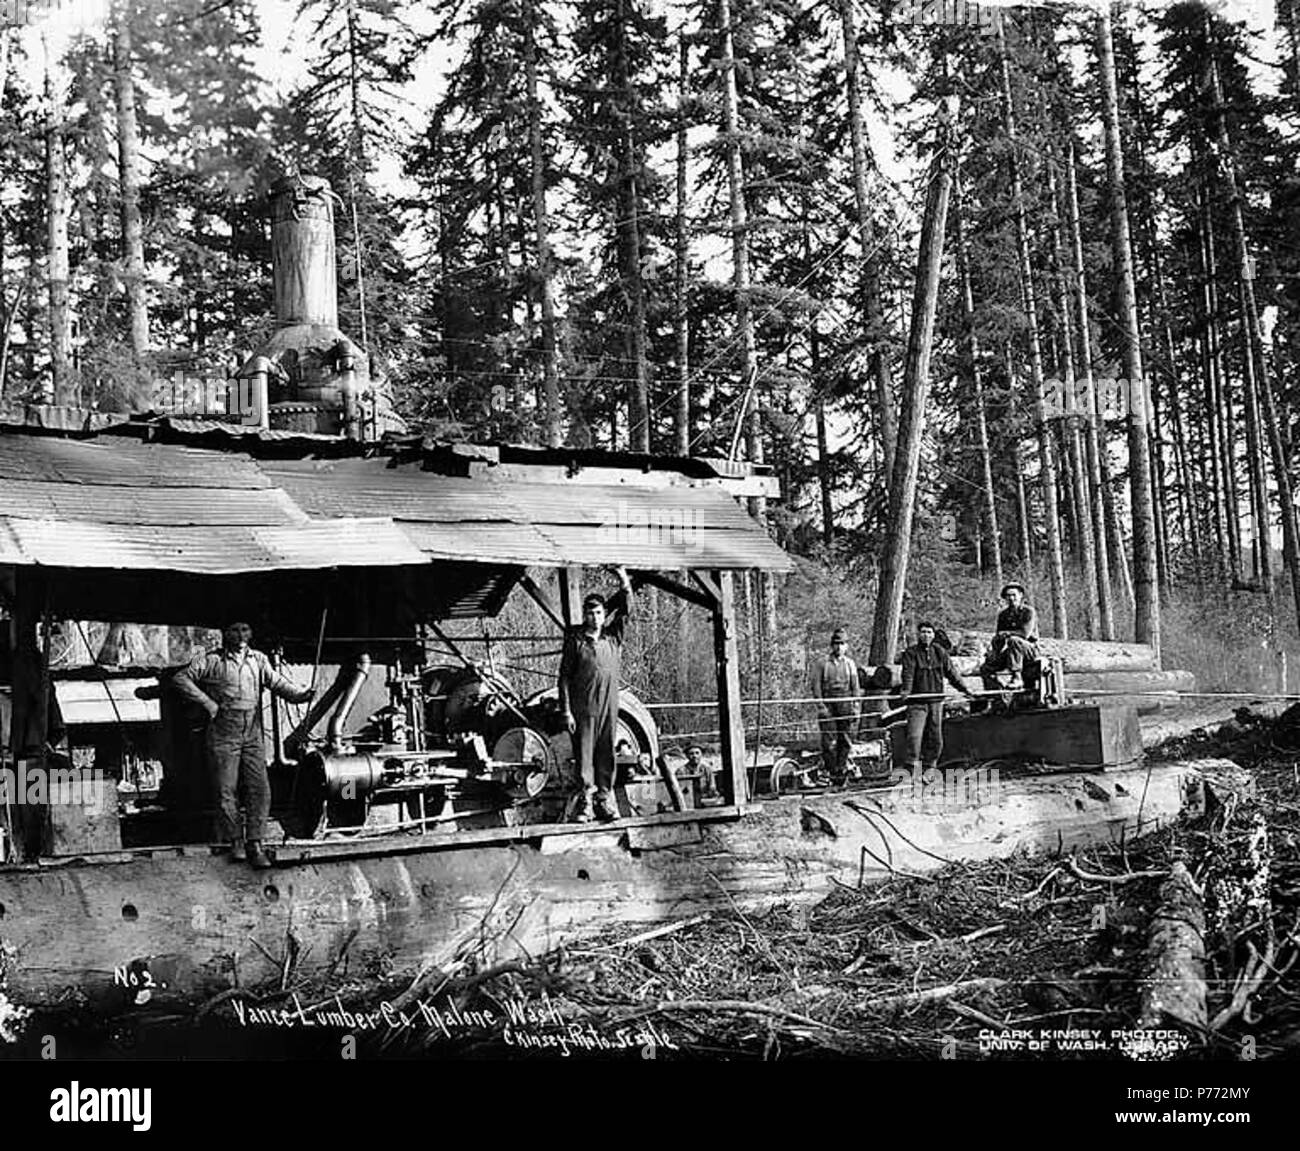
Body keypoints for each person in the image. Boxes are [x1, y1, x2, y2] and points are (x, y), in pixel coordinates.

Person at [172, 622, 314, 868]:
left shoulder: (259, 659)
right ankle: (235, 841)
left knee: (260, 788)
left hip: (252, 730)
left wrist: (300, 695)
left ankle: (255, 842)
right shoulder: (205, 657)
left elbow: (277, 683)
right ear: (225, 633)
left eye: (245, 630)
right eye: (235, 630)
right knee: (226, 790)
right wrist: (208, 703)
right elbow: (180, 679)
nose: (241, 635)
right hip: (223, 730)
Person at [559, 566, 634, 823]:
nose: (595, 617)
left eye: (599, 612)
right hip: (584, 709)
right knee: (584, 758)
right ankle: (585, 804)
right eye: (590, 612)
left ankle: (605, 800)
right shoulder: (576, 642)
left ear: (604, 615)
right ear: (585, 615)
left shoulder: (613, 639)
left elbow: (626, 609)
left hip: (609, 708)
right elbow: (564, 678)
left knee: (606, 754)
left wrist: (623, 579)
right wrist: (566, 710)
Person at [900, 621, 975, 773]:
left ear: (933, 635)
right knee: (914, 736)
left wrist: (965, 689)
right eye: (923, 632)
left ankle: (930, 768)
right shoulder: (911, 653)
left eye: (929, 632)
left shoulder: (940, 652)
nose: (926, 635)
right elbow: (908, 674)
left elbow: (952, 674)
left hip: (935, 702)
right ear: (918, 635)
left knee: (935, 738)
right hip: (917, 703)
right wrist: (906, 691)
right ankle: (911, 768)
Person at [812, 628, 859, 780]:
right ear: (832, 646)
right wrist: (821, 706)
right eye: (836, 644)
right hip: (828, 703)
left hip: (845, 703)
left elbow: (855, 687)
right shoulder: (822, 663)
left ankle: (842, 769)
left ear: (846, 646)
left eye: (842, 644)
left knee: (845, 738)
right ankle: (831, 770)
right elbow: (816, 686)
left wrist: (856, 707)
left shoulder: (850, 664)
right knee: (828, 739)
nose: (839, 647)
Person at [979, 583, 1040, 689]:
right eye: (1008, 596)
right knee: (986, 667)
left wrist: (1007, 633)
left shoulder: (1028, 611)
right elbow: (999, 636)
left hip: (1029, 650)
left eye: (1014, 595)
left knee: (1014, 640)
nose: (1011, 598)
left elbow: (1025, 634)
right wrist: (995, 653)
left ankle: (1017, 677)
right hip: (1012, 652)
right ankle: (997, 694)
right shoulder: (1003, 615)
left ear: (1020, 595)